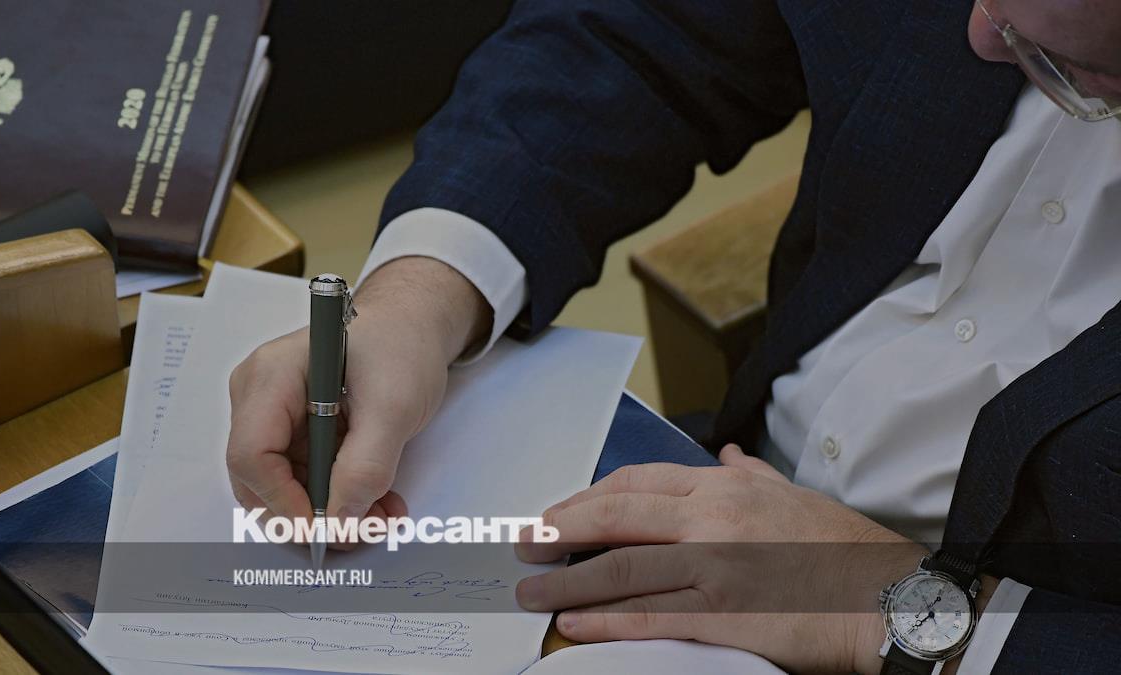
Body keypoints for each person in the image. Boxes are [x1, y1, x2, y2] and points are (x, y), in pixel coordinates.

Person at [226, 0, 1121, 672]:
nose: (977, 34)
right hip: (719, 490)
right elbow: (648, 30)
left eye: (1064, 64)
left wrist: (871, 600)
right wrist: (420, 295)